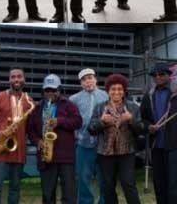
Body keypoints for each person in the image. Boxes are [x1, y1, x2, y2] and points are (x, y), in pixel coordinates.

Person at [88, 73, 145, 204]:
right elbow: (91, 130)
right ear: (108, 91)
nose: (116, 92)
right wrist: (101, 122)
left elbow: (141, 130)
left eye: (120, 89)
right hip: (105, 154)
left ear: (124, 91)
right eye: (113, 89)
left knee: (128, 184)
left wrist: (131, 120)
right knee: (108, 186)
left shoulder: (133, 107)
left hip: (127, 153)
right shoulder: (100, 107)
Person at [26, 74, 82, 204]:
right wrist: (37, 141)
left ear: (59, 90)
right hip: (46, 156)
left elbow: (78, 121)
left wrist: (59, 121)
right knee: (47, 194)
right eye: (47, 90)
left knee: (69, 194)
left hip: (66, 157)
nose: (50, 93)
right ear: (43, 91)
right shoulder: (38, 108)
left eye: (53, 90)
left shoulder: (68, 105)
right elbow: (30, 129)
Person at [140, 63, 177, 204]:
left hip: (175, 144)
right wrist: (149, 126)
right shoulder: (148, 95)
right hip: (156, 145)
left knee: (175, 184)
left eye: (162, 74)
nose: (158, 77)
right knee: (159, 183)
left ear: (169, 75)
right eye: (155, 75)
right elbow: (143, 118)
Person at [0, 68, 34, 204]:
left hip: (19, 150)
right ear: (9, 79)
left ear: (24, 79)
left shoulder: (28, 100)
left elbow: (30, 127)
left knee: (15, 188)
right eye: (13, 77)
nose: (16, 79)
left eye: (19, 77)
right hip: (1, 149)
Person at [69, 68, 109, 204]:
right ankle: (85, 202)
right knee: (83, 177)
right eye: (84, 80)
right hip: (83, 144)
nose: (88, 81)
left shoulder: (107, 96)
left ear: (96, 79)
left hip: (103, 144)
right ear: (81, 83)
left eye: (90, 78)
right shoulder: (74, 99)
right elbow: (71, 120)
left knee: (105, 177)